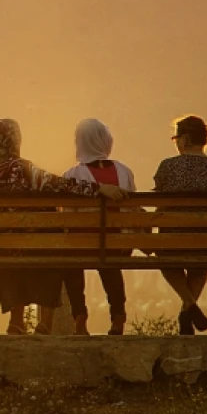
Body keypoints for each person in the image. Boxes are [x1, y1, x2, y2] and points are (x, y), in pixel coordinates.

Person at [0, 118, 128, 335]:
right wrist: (99, 189)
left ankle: (16, 320)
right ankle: (45, 322)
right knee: (49, 240)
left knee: (9, 249)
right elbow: (61, 185)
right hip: (27, 246)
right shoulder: (22, 169)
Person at [152, 115, 207, 335]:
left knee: (167, 262)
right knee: (201, 264)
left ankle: (190, 306)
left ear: (185, 139)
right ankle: (188, 309)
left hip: (171, 243)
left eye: (175, 137)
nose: (175, 142)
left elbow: (160, 205)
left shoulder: (167, 167)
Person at [60, 118, 135, 336]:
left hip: (81, 246)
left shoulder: (72, 175)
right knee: (110, 262)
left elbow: (67, 218)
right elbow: (132, 212)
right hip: (115, 245)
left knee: (72, 262)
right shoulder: (125, 172)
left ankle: (80, 316)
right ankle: (118, 317)